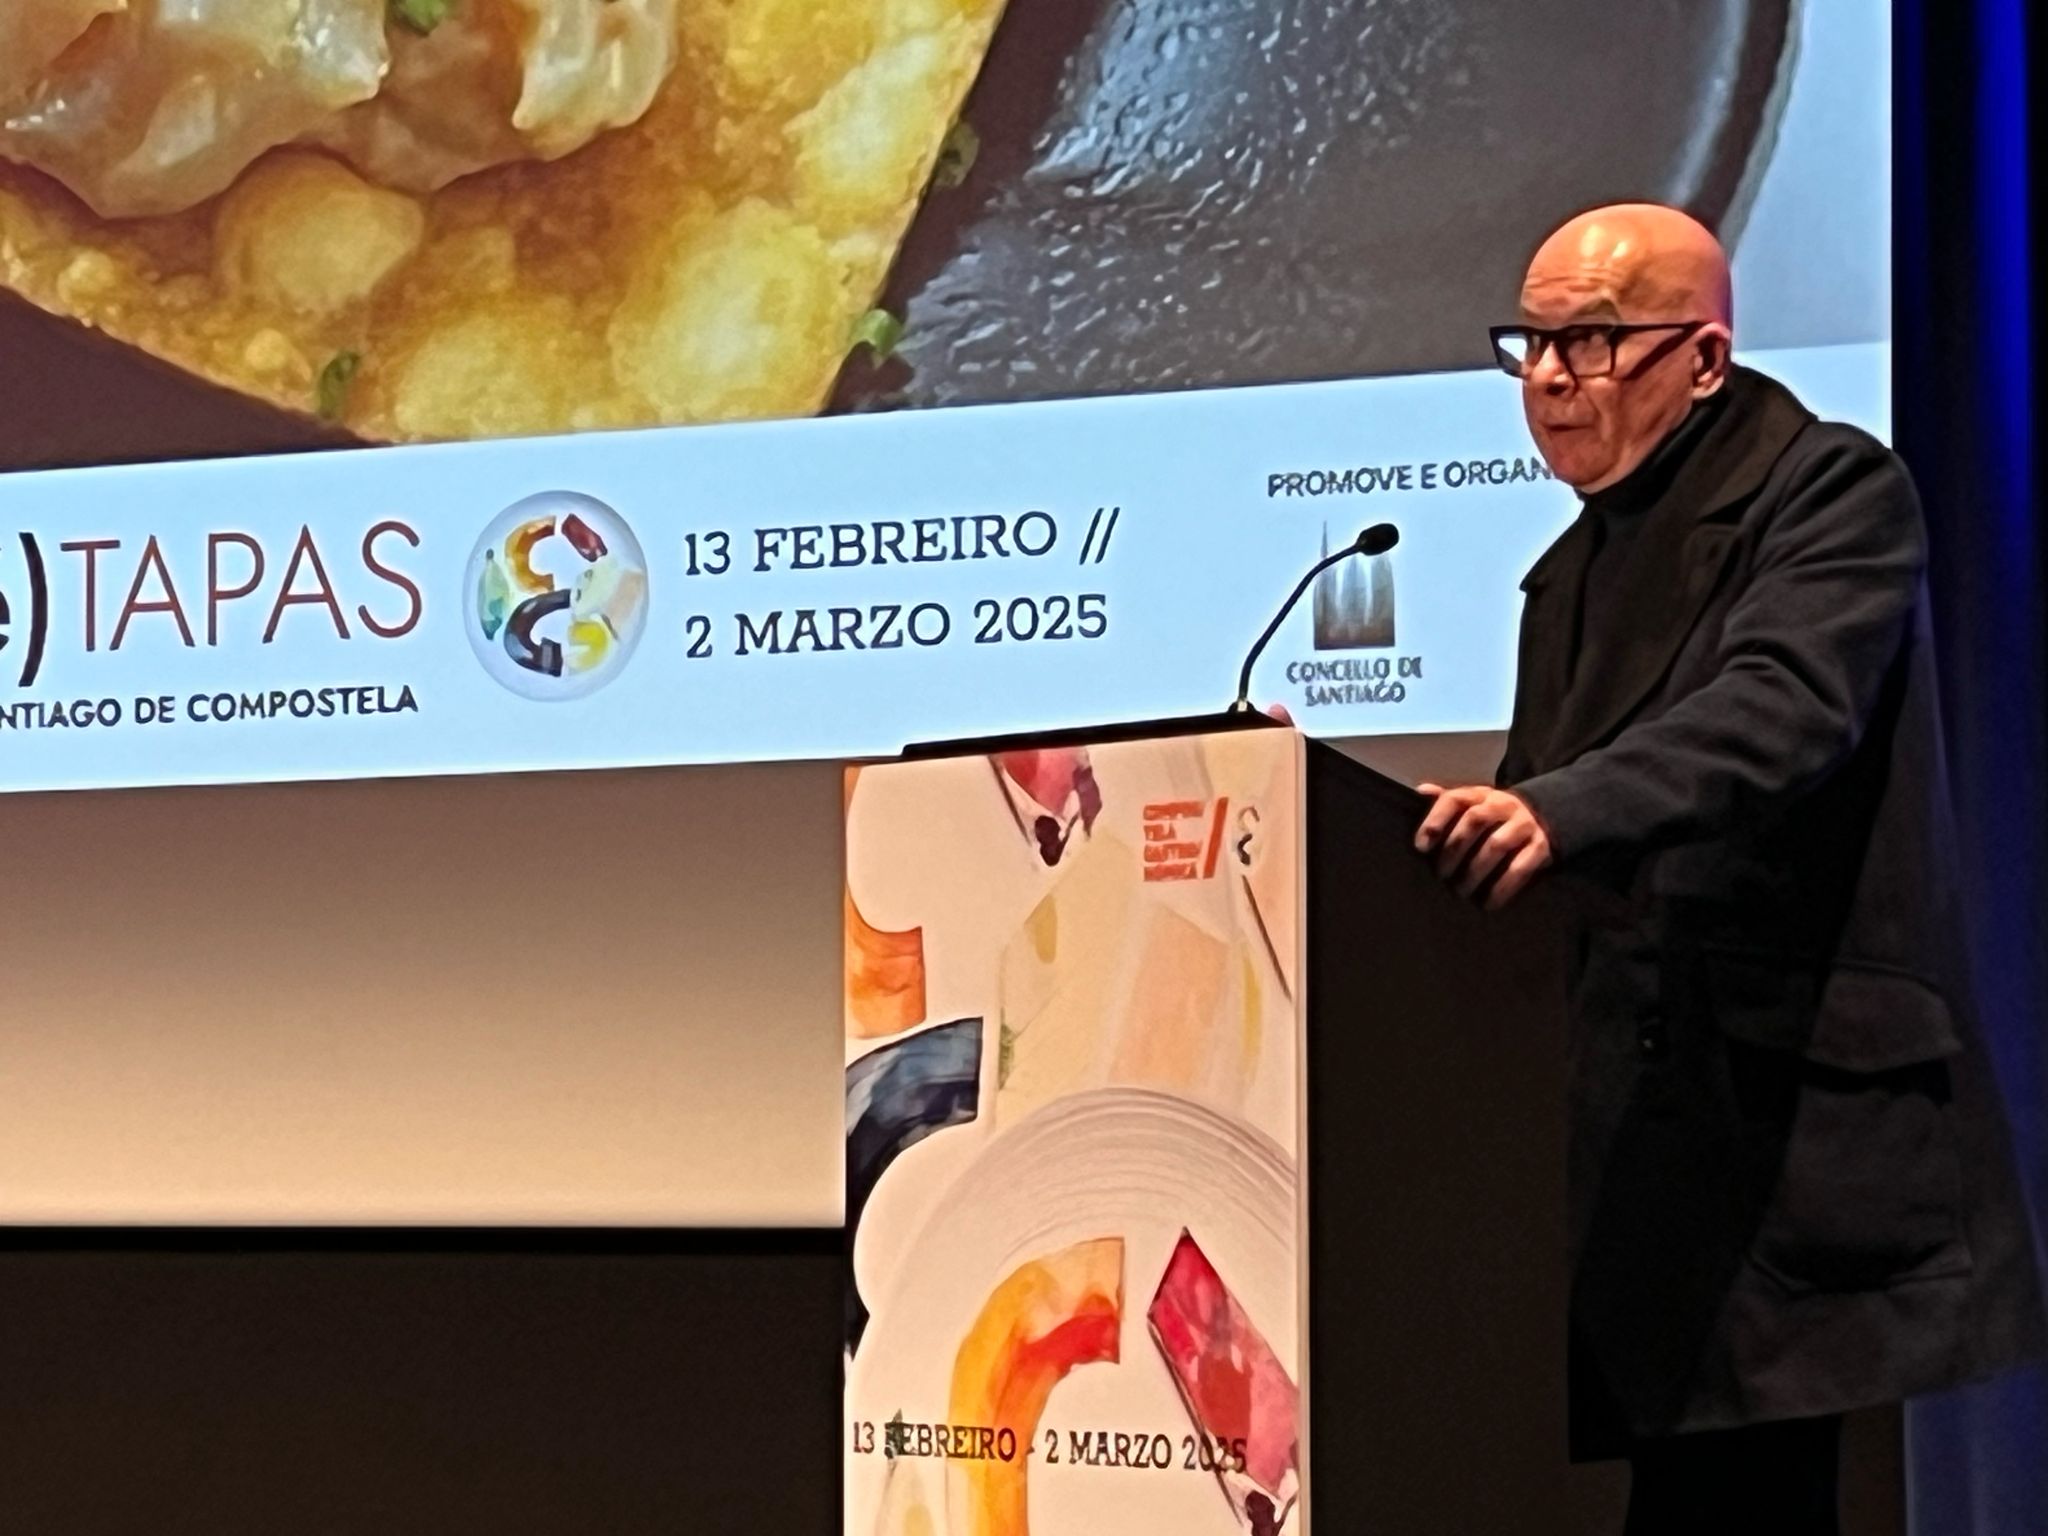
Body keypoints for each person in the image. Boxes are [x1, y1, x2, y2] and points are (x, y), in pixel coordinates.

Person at [1413, 204, 2046, 1532]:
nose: (1547, 379)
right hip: (1634, 1147)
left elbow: (1779, 709)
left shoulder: (1831, 491)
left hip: (1785, 1126)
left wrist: (1556, 813)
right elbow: (1542, 814)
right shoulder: (1568, 570)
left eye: (1589, 343)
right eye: (1530, 345)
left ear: (1702, 359)